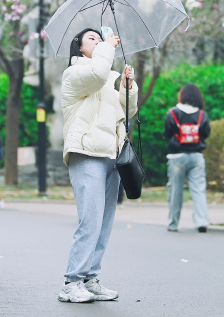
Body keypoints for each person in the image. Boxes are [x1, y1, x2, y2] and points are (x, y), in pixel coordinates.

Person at [58, 28, 138, 304]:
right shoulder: (75, 74)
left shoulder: (109, 79)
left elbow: (128, 112)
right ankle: (72, 282)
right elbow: (96, 75)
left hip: (111, 156)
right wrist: (107, 47)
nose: (98, 41)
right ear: (80, 48)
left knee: (104, 222)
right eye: (91, 38)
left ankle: (91, 278)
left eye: (99, 38)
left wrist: (128, 86)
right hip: (86, 153)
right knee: (90, 219)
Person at [164, 84, 211, 233]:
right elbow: (206, 133)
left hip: (177, 157)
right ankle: (201, 221)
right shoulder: (202, 115)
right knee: (198, 190)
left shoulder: (172, 113)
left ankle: (173, 223)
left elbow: (167, 134)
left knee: (175, 191)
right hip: (196, 157)